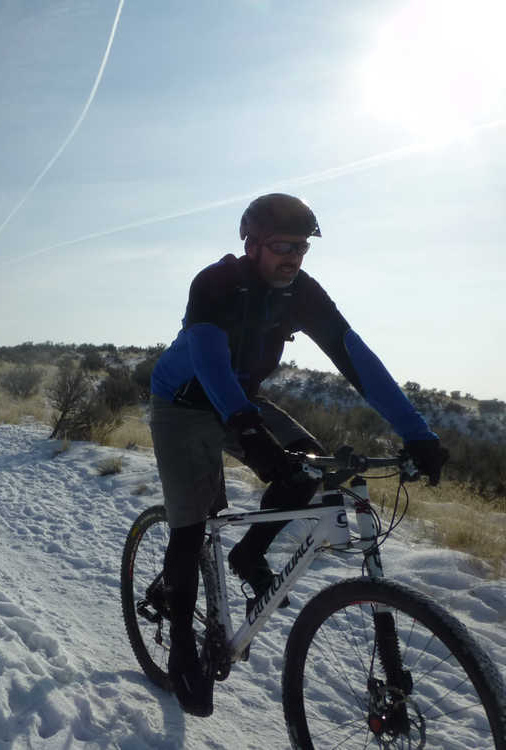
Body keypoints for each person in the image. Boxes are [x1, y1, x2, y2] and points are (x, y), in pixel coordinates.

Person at [148, 193, 447, 716]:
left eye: (302, 247)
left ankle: (247, 554)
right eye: (283, 246)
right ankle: (180, 653)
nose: (293, 257)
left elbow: (356, 359)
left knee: (306, 466)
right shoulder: (215, 285)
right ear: (253, 244)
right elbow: (210, 362)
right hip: (183, 403)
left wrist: (416, 432)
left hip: (243, 401)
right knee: (191, 525)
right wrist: (250, 430)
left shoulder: (302, 294)